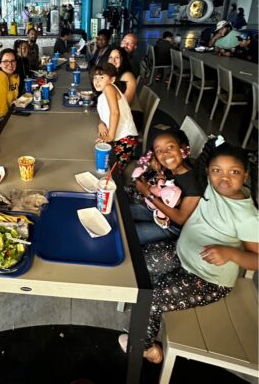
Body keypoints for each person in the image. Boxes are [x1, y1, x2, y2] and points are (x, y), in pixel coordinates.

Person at [119, 141, 259, 364]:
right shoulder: (208, 186)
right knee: (138, 264)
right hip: (181, 253)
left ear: (246, 175)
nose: (224, 178)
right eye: (217, 171)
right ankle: (144, 306)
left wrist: (231, 254)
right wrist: (157, 163)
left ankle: (147, 349)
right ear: (208, 172)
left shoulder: (248, 217)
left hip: (208, 279)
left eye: (234, 172)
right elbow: (181, 166)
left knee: (153, 298)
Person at [130, 129, 205, 245]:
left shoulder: (194, 183)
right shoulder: (169, 169)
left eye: (170, 147)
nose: (164, 153)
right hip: (156, 210)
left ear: (183, 149)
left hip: (171, 226)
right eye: (159, 151)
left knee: (129, 235)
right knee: (124, 212)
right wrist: (156, 172)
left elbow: (180, 219)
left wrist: (148, 194)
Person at [93, 63, 138, 170]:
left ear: (112, 80)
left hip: (125, 139)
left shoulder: (109, 88)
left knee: (112, 171)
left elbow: (115, 113)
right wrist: (101, 123)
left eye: (101, 77)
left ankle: (121, 185)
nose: (97, 81)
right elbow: (106, 112)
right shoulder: (103, 94)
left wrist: (110, 137)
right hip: (119, 137)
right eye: (95, 77)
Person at [108, 46, 143, 131]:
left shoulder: (127, 76)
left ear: (123, 59)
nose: (113, 60)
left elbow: (125, 105)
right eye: (110, 57)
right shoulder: (112, 73)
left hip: (130, 116)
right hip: (116, 112)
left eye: (117, 57)